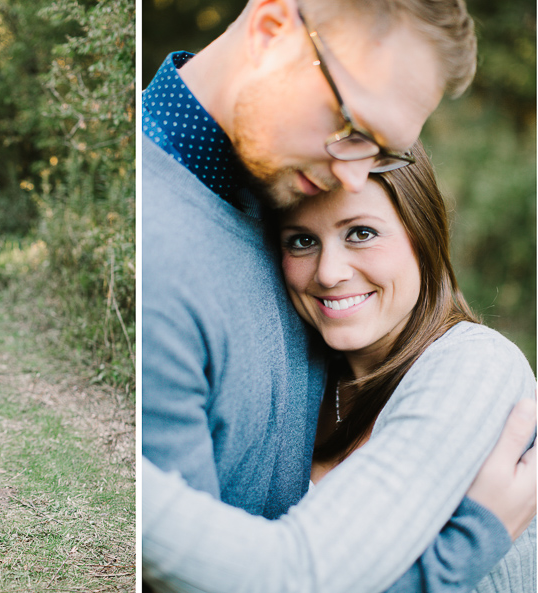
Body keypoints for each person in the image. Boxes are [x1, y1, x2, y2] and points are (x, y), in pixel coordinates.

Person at [141, 0, 536, 590]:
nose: (355, 178)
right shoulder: (162, 250)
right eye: (351, 128)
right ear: (273, 31)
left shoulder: (273, 181)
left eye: (383, 152)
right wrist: (461, 549)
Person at [276, 140, 535, 590]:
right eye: (302, 241)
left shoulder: (475, 366)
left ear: (422, 234)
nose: (328, 272)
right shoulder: (304, 377)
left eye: (361, 233)